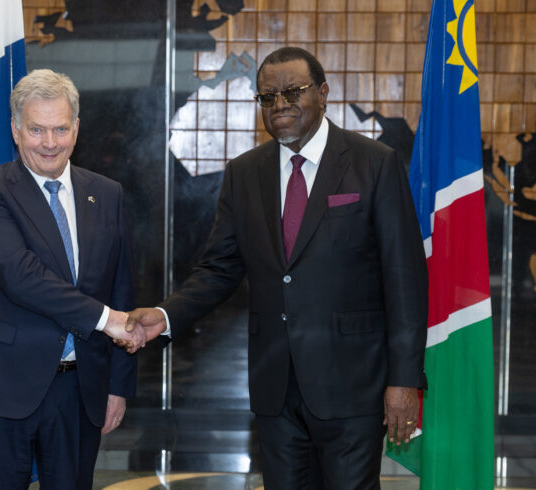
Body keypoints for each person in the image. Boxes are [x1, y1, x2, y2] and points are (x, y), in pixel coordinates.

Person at [126, 47, 428, 489]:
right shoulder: (245, 173)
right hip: (275, 389)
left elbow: (405, 279)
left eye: (293, 92)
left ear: (323, 94)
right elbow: (219, 269)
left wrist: (403, 381)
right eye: (268, 97)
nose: (280, 104)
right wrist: (166, 314)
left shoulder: (374, 164)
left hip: (352, 386)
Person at [0, 69, 145, 490]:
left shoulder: (106, 193)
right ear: (16, 130)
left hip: (80, 390)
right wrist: (105, 318)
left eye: (60, 128)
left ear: (76, 128)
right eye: (37, 130)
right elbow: (20, 275)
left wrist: (118, 385)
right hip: (2, 385)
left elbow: (122, 288)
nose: (50, 142)